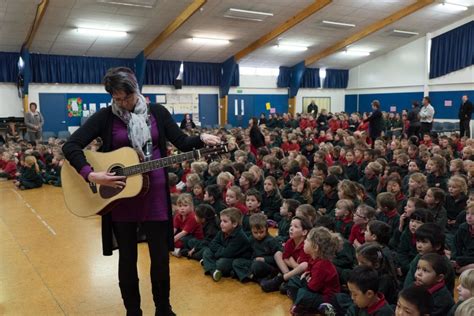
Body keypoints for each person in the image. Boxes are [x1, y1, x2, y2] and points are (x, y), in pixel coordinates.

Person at [62, 67, 220, 316]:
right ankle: (133, 311)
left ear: (136, 90)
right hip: (120, 199)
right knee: (127, 258)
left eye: (127, 96)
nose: (123, 103)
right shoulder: (105, 118)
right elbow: (70, 145)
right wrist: (91, 174)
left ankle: (163, 308)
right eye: (117, 98)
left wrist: (202, 138)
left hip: (154, 197)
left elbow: (182, 142)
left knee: (160, 258)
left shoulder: (157, 112)